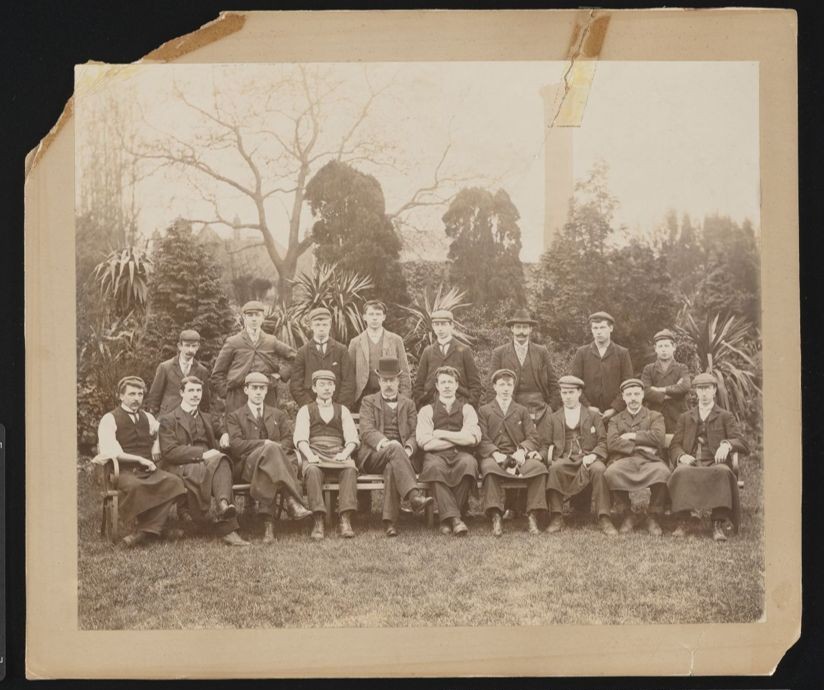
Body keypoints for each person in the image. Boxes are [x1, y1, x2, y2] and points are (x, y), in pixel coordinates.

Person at [93, 376, 187, 547]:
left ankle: (145, 531)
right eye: (131, 394)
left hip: (147, 469)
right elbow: (111, 451)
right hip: (122, 470)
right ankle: (156, 529)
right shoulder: (110, 418)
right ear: (121, 396)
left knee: (175, 482)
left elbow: (160, 431)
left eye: (140, 394)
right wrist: (139, 459)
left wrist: (157, 445)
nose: (137, 398)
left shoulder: (147, 417)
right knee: (135, 487)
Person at [158, 376, 249, 546]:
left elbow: (219, 428)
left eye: (198, 391)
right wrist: (201, 454)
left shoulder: (206, 417)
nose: (195, 395)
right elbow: (169, 452)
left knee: (222, 460)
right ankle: (225, 525)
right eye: (191, 391)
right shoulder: (168, 419)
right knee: (217, 461)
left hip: (209, 462)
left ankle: (223, 505)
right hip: (182, 464)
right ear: (181, 393)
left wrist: (224, 434)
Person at [225, 372, 312, 543]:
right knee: (271, 449)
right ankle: (292, 500)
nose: (258, 392)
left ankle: (269, 528)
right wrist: (265, 444)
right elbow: (236, 446)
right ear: (246, 390)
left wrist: (272, 448)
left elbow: (288, 439)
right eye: (254, 388)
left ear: (266, 391)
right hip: (247, 465)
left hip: (269, 467)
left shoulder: (277, 414)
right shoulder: (235, 416)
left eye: (262, 389)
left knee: (268, 467)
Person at [667, 373, 749, 541]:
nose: (703, 393)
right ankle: (684, 520)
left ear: (714, 391)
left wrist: (727, 444)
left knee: (723, 472)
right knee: (680, 473)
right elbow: (674, 445)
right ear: (695, 392)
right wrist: (681, 456)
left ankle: (717, 523)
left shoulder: (725, 416)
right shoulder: (685, 417)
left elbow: (742, 442)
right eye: (700, 389)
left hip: (714, 462)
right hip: (692, 460)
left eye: (707, 389)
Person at [358, 357, 433, 536]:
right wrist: (388, 444)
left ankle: (390, 522)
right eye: (385, 380)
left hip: (402, 458)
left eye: (392, 380)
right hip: (374, 456)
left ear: (398, 381)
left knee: (392, 466)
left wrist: (408, 449)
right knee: (394, 449)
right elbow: (366, 431)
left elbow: (415, 432)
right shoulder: (368, 401)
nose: (388, 384)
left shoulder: (408, 404)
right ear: (379, 381)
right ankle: (414, 496)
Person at [477, 369, 547, 536]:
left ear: (513, 387)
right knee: (490, 470)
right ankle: (496, 516)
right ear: (494, 387)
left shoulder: (521, 410)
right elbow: (482, 439)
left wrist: (522, 450)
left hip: (517, 455)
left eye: (509, 384)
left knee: (538, 469)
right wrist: (495, 453)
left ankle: (532, 515)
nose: (506, 388)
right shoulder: (485, 410)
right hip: (495, 456)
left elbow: (533, 436)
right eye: (502, 384)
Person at [545, 375, 616, 535]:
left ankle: (604, 517)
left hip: (588, 456)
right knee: (555, 468)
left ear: (579, 393)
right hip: (564, 458)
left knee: (599, 470)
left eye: (571, 392)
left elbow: (603, 441)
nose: (567, 397)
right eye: (564, 393)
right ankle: (557, 516)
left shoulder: (592, 416)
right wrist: (544, 454)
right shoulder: (553, 417)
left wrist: (594, 455)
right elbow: (545, 443)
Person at [294, 370, 360, 540]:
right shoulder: (306, 410)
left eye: (330, 384)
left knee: (350, 469)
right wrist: (310, 455)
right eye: (322, 384)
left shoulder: (342, 410)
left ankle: (345, 519)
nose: (326, 388)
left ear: (334, 387)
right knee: (313, 471)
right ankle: (318, 520)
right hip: (315, 453)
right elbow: (300, 439)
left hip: (337, 453)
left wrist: (344, 454)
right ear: (314, 388)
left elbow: (352, 438)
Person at [415, 366, 481, 536]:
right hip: (435, 456)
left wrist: (441, 434)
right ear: (436, 386)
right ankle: (455, 520)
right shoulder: (427, 410)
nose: (446, 386)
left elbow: (472, 439)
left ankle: (446, 520)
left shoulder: (467, 409)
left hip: (461, 455)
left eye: (450, 382)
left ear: (457, 385)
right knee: (434, 468)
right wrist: (458, 439)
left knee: (469, 464)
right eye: (443, 382)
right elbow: (425, 443)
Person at [604, 378, 670, 536]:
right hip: (624, 459)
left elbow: (658, 438)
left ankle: (653, 515)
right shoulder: (616, 419)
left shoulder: (655, 416)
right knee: (611, 472)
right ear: (624, 397)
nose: (633, 398)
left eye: (636, 394)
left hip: (650, 460)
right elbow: (612, 442)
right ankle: (627, 513)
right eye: (629, 394)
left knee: (663, 472)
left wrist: (631, 435)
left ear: (642, 396)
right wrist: (638, 445)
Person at [211, 300, 296, 415]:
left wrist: (281, 374)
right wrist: (227, 394)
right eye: (250, 315)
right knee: (238, 430)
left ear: (263, 318)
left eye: (257, 315)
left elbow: (295, 357)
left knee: (267, 429)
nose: (254, 319)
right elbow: (217, 373)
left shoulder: (271, 341)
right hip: (238, 396)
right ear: (244, 318)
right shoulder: (233, 342)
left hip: (266, 395)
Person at [490, 308, 561, 411]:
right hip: (510, 407)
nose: (521, 332)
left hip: (539, 407)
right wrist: (495, 411)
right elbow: (491, 385)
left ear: (530, 329)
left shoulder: (542, 352)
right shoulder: (499, 353)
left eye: (525, 327)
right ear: (512, 329)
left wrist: (550, 409)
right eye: (518, 327)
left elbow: (553, 383)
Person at [570, 312, 634, 425]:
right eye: (595, 328)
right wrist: (588, 406)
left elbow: (628, 384)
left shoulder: (622, 353)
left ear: (611, 328)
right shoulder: (582, 353)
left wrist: (615, 408)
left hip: (616, 416)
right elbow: (575, 384)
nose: (598, 331)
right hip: (587, 414)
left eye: (602, 327)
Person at [348, 300, 412, 410]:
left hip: (390, 394)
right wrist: (350, 401)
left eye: (378, 314)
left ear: (384, 317)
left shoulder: (396, 340)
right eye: (371, 314)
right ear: (364, 317)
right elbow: (349, 374)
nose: (374, 318)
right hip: (363, 396)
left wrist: (404, 399)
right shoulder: (356, 342)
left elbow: (404, 372)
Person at [412, 310, 482, 409]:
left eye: (443, 324)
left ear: (451, 325)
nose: (440, 328)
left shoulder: (464, 350)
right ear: (433, 326)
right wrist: (422, 405)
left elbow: (475, 384)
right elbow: (419, 384)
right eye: (436, 324)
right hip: (432, 405)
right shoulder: (428, 351)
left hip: (460, 404)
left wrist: (469, 405)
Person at [290, 307, 356, 409]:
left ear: (330, 325)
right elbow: (296, 385)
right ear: (311, 326)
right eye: (317, 324)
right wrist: (310, 407)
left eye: (325, 324)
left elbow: (348, 382)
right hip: (310, 408)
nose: (321, 328)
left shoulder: (341, 350)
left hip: (336, 406)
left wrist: (338, 407)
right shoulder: (303, 352)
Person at [145, 329, 212, 416]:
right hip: (168, 416)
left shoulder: (202, 371)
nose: (190, 350)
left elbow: (205, 401)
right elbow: (154, 397)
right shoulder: (165, 367)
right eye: (187, 346)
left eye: (193, 346)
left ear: (198, 347)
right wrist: (152, 416)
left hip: (191, 418)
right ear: (180, 346)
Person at [640, 329, 691, 433]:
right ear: (655, 349)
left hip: (677, 416)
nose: (663, 350)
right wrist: (671, 393)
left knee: (677, 446)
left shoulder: (682, 368)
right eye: (660, 346)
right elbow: (645, 391)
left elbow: (684, 387)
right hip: (654, 416)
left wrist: (659, 390)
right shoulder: (649, 369)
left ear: (674, 347)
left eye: (667, 346)